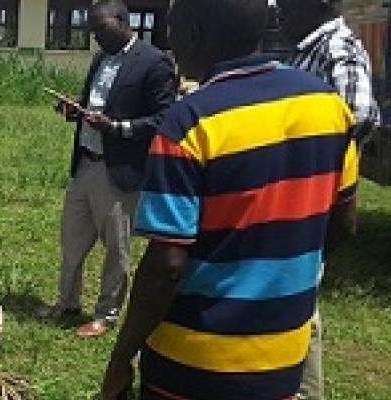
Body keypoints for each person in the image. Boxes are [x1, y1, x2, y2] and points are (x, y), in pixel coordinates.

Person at [100, 0, 357, 398]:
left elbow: (167, 265)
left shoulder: (189, 124)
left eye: (171, 30)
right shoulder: (329, 107)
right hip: (283, 358)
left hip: (192, 367)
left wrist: (121, 358)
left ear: (193, 35)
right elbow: (342, 225)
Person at [40, 0, 177, 338]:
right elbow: (94, 105)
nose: (96, 37)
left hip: (119, 169)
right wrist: (76, 112)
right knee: (72, 239)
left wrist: (117, 127)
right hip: (86, 161)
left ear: (122, 21)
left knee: (116, 248)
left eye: (101, 29)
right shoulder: (101, 58)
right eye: (92, 31)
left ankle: (107, 315)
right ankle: (67, 302)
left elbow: (164, 119)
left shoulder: (154, 62)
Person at [278, 0, 380, 397]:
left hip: (313, 197)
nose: (281, 15)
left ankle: (304, 392)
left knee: (301, 303)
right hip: (297, 194)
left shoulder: (337, 48)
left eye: (288, 7)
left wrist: (305, 157)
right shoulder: (306, 47)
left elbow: (358, 114)